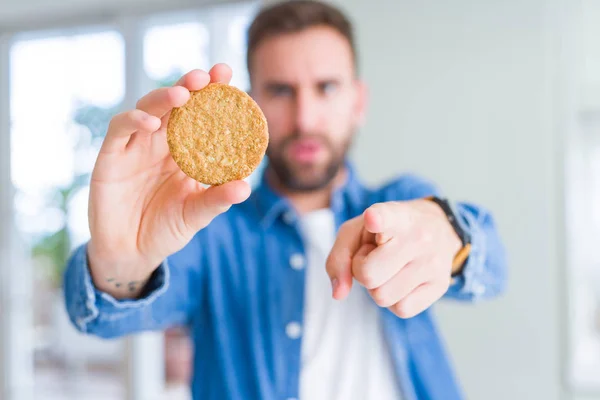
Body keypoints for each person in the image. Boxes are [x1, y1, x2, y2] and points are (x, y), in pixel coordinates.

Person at [63, 1, 507, 399]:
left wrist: (446, 233)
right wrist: (120, 263)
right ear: (251, 103)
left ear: (359, 101)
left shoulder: (398, 201)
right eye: (281, 90)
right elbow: (105, 317)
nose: (305, 118)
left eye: (327, 88)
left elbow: (492, 261)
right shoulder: (207, 231)